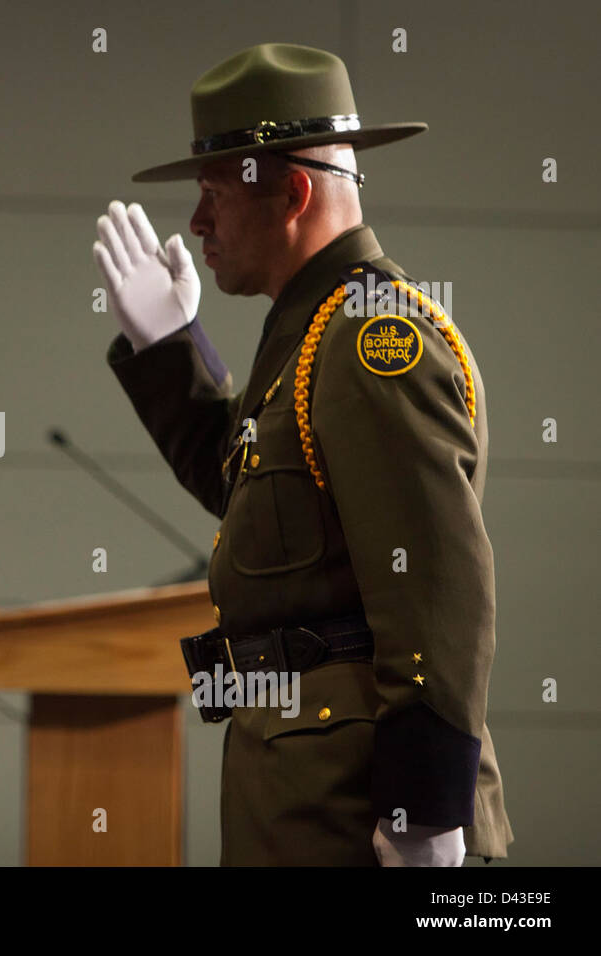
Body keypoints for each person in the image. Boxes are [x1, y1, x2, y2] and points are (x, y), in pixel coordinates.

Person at [94, 43, 513, 866]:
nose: (197, 223)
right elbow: (260, 505)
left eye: (214, 194)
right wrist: (170, 349)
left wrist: (424, 806)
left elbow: (435, 585)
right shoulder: (312, 334)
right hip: (306, 790)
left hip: (358, 809)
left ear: (292, 192)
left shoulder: (369, 340)